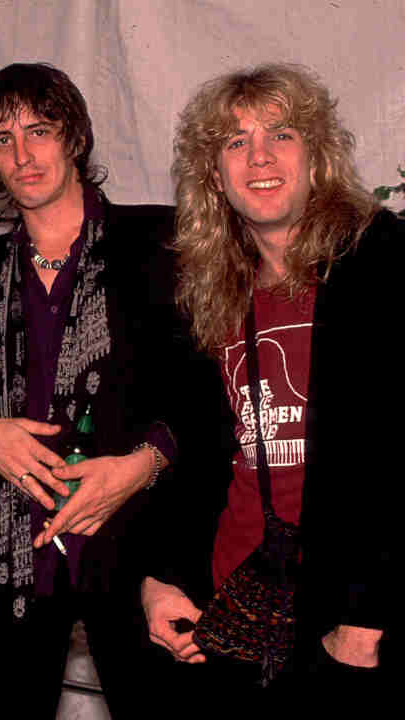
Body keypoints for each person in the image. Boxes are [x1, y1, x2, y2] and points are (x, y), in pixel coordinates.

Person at [0, 62, 216, 717]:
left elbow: (208, 398)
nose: (24, 154)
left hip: (140, 556)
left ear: (73, 137)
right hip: (13, 567)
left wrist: (141, 464)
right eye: (2, 139)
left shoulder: (159, 244)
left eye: (39, 131)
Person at [139, 63, 394, 713]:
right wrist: (161, 578)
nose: (259, 156)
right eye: (234, 141)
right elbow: (189, 450)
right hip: (233, 616)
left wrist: (368, 617)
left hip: (348, 625)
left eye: (280, 134)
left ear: (318, 156)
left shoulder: (385, 263)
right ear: (214, 176)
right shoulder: (204, 288)